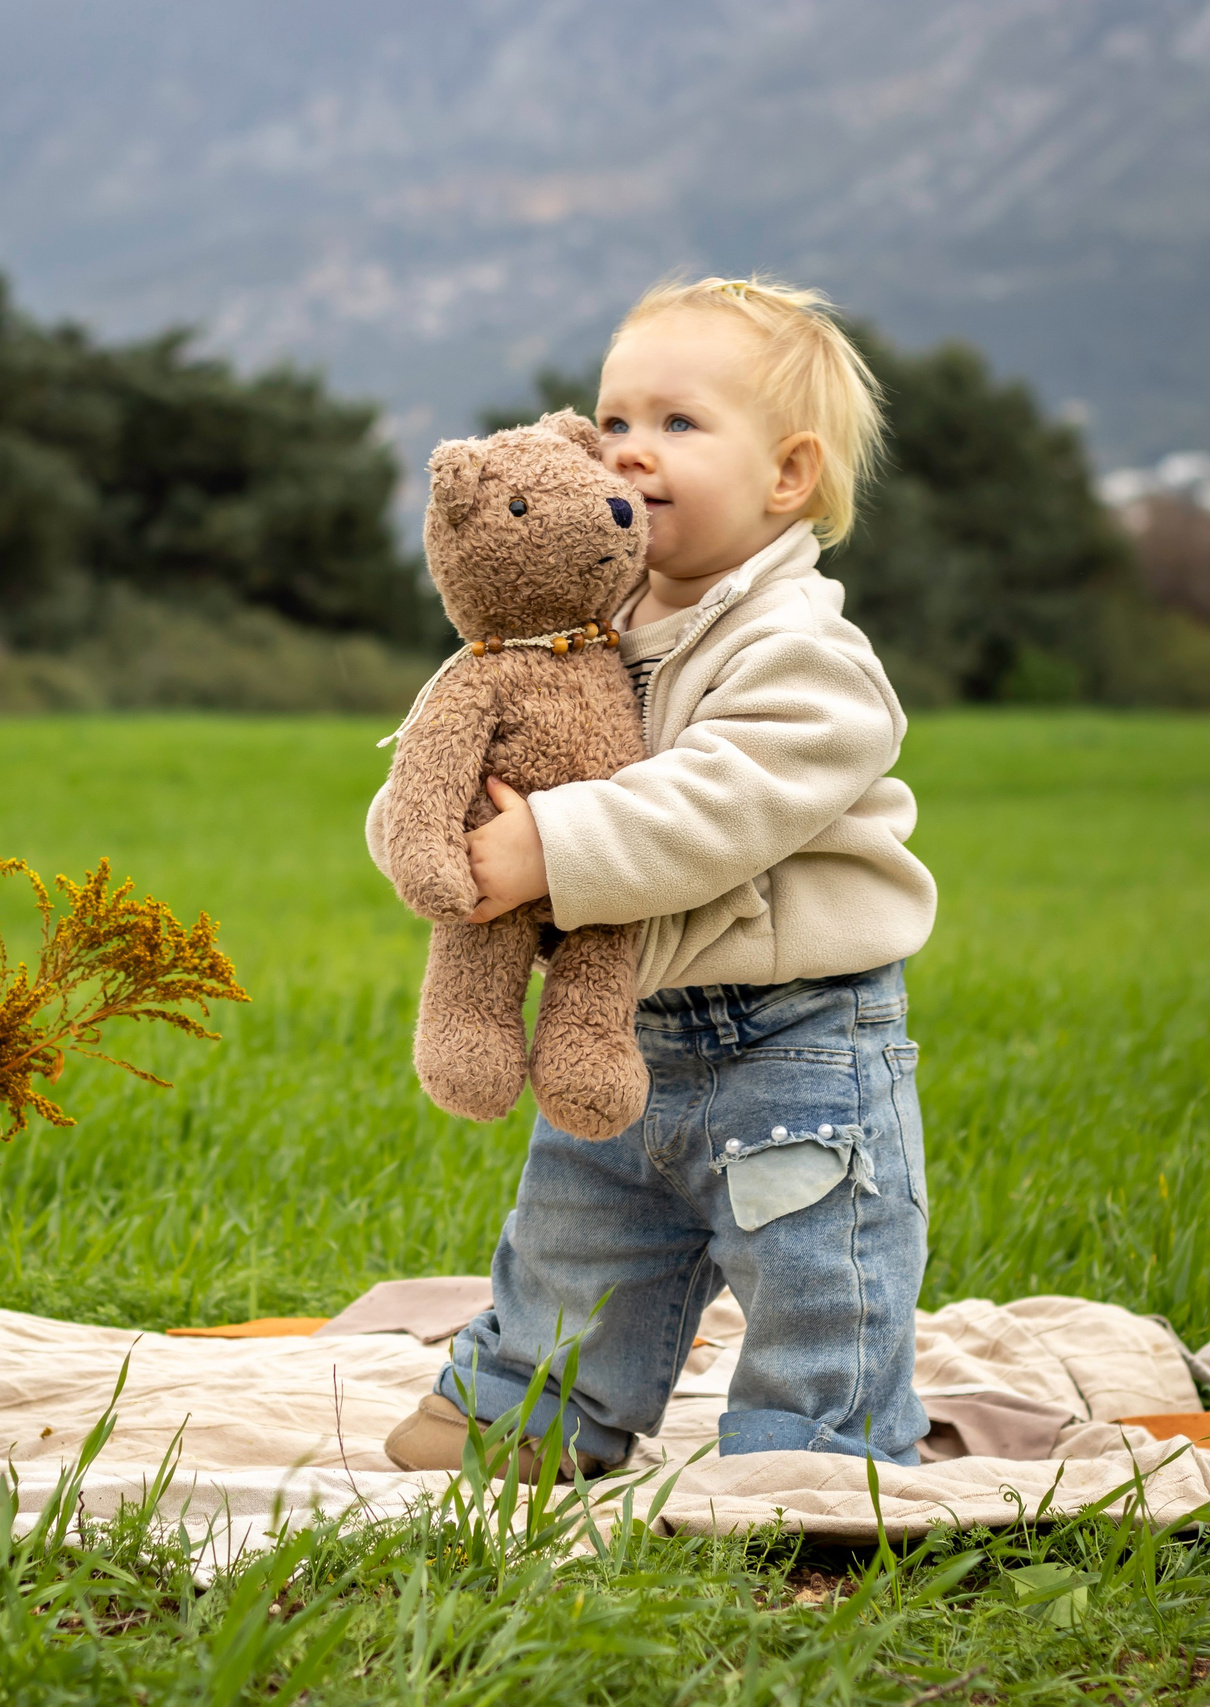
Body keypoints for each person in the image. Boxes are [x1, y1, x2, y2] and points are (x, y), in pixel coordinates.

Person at [368, 276, 939, 1472]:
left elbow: (714, 808)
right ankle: (528, 1407)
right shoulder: (577, 627)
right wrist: (443, 829)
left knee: (813, 1266)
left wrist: (547, 847)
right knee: (582, 1233)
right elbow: (460, 738)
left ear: (787, 475)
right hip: (620, 1023)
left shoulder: (808, 655)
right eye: (614, 421)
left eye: (678, 425)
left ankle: (813, 1446)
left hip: (797, 1037)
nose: (630, 451)